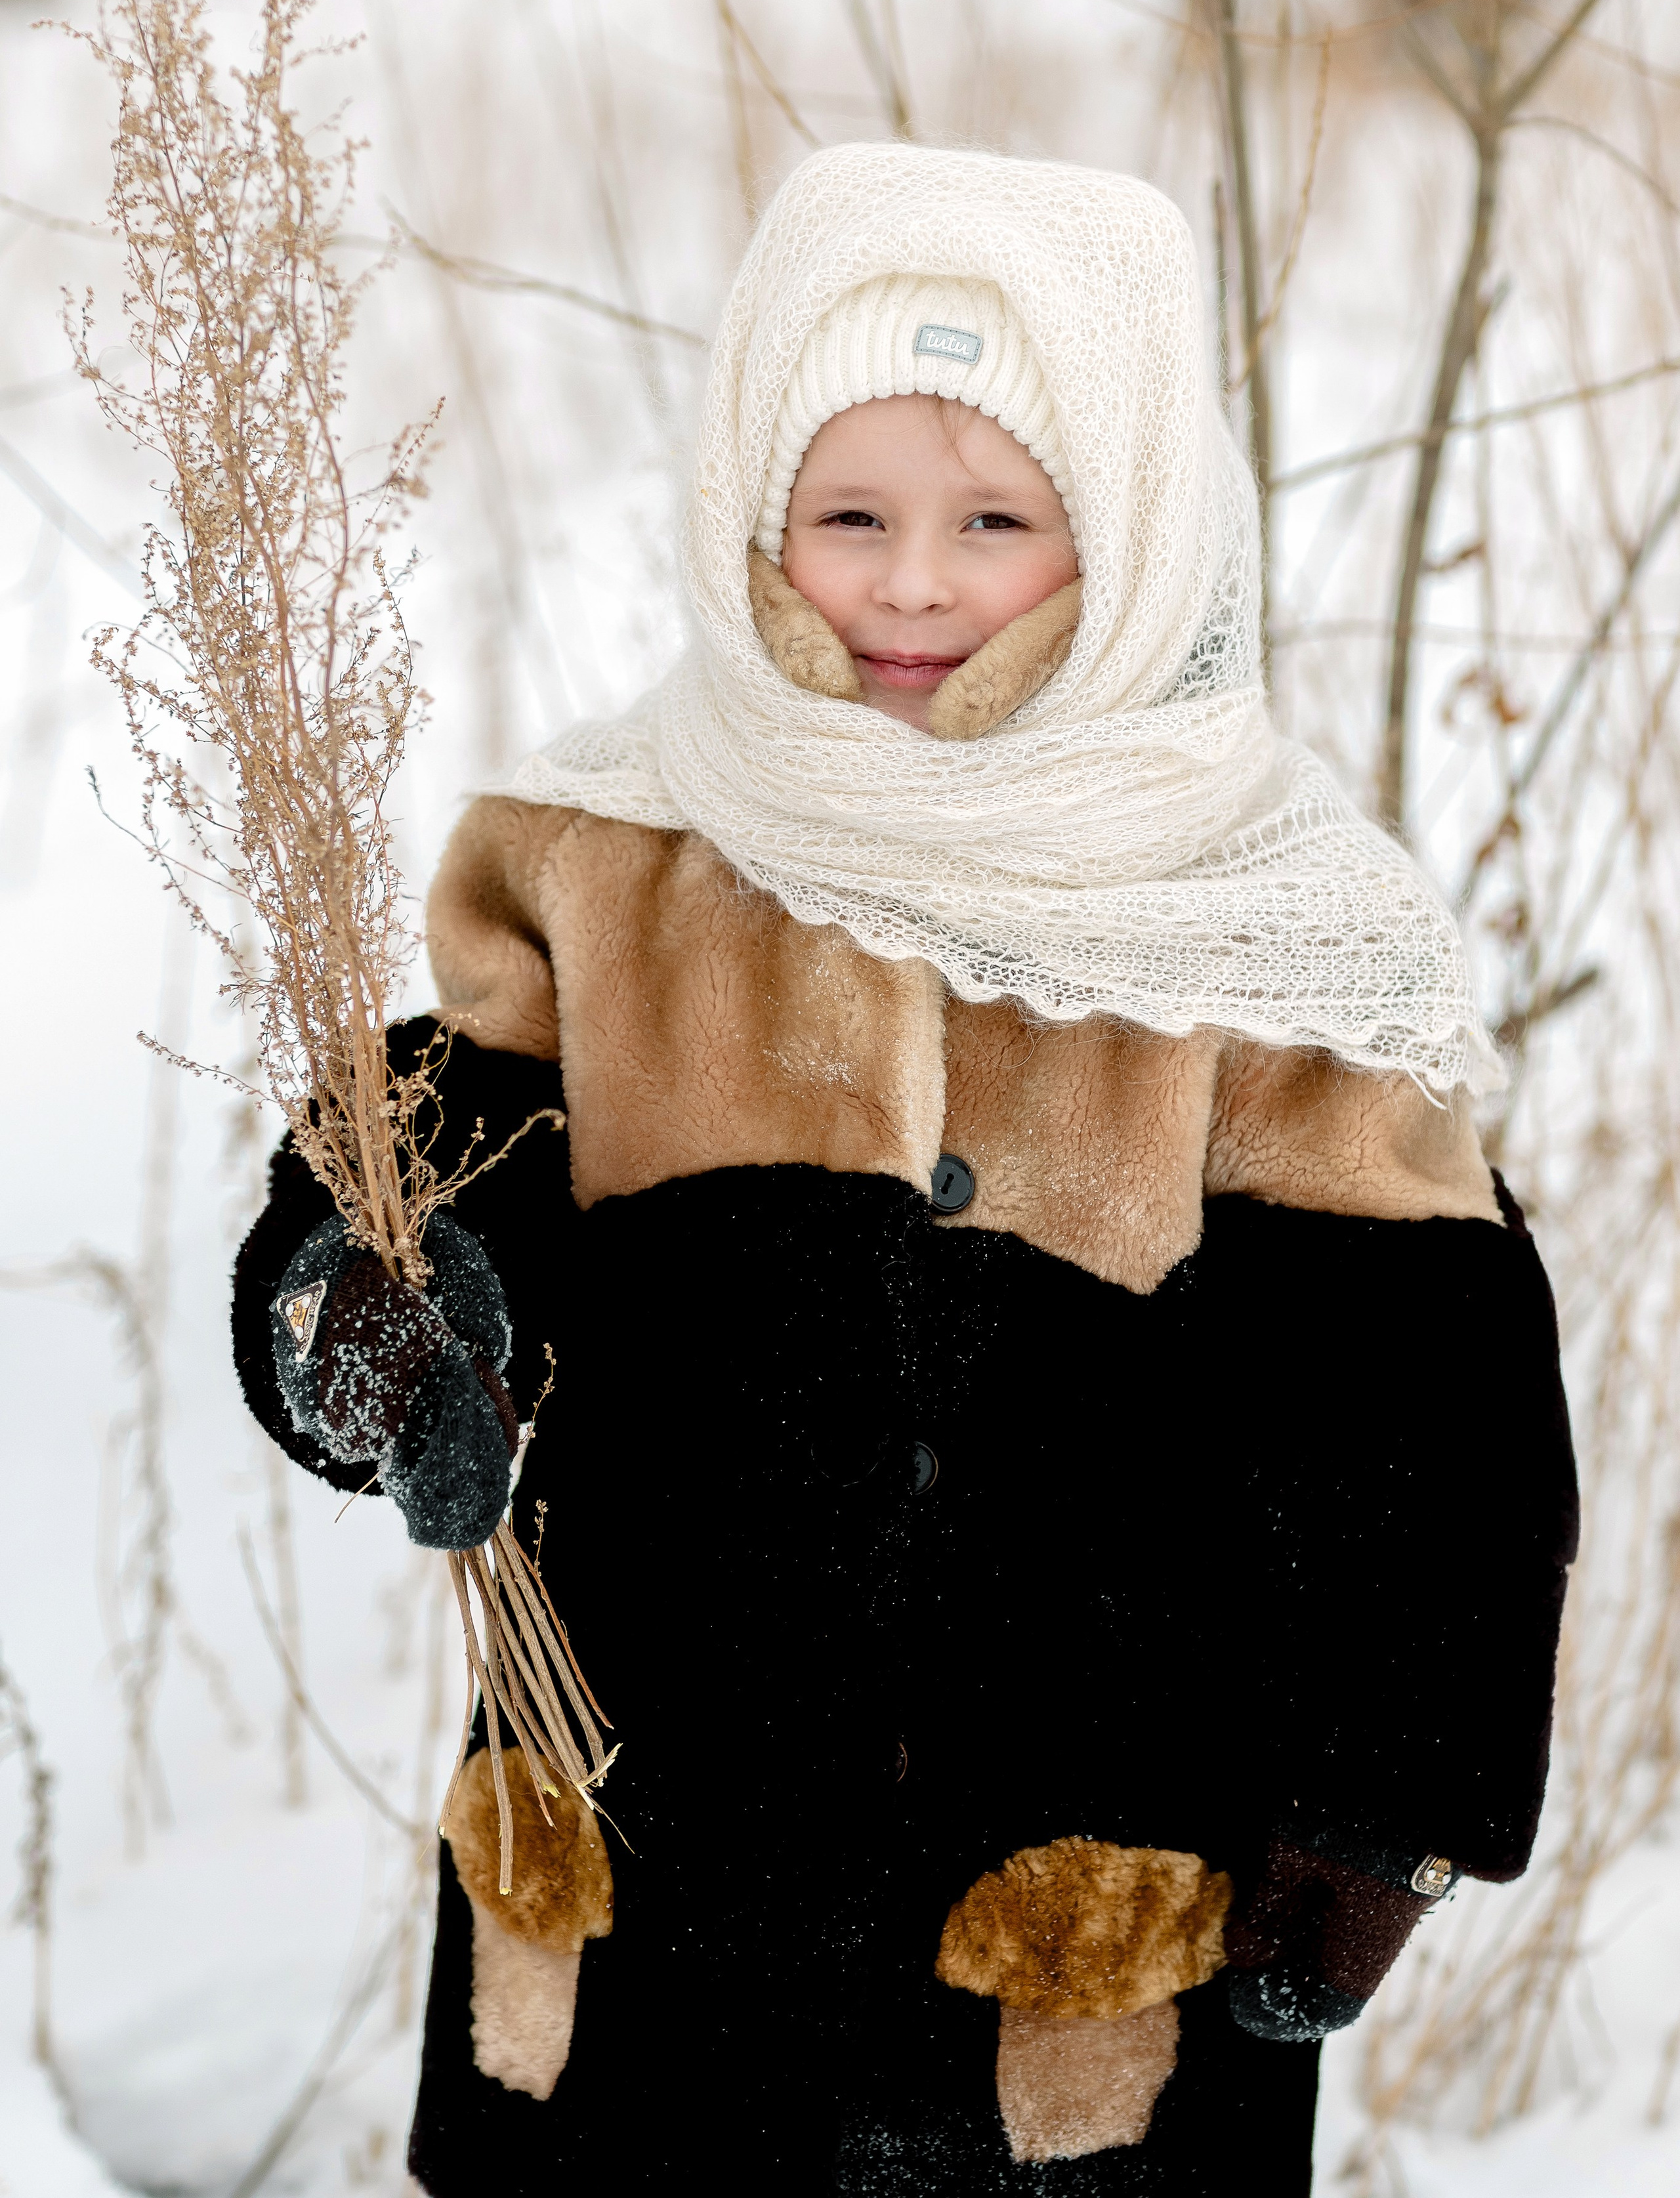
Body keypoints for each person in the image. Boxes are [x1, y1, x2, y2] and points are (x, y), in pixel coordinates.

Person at [232, 144, 1578, 2194]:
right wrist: (381, 1311)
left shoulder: (1264, 937)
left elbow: (1430, 1408)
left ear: (1124, 538)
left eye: (996, 522)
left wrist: (1386, 1794)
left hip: (1070, 1940)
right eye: (850, 514)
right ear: (751, 512)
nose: (915, 581)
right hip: (651, 1900)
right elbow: (428, 1153)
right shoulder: (617, 859)